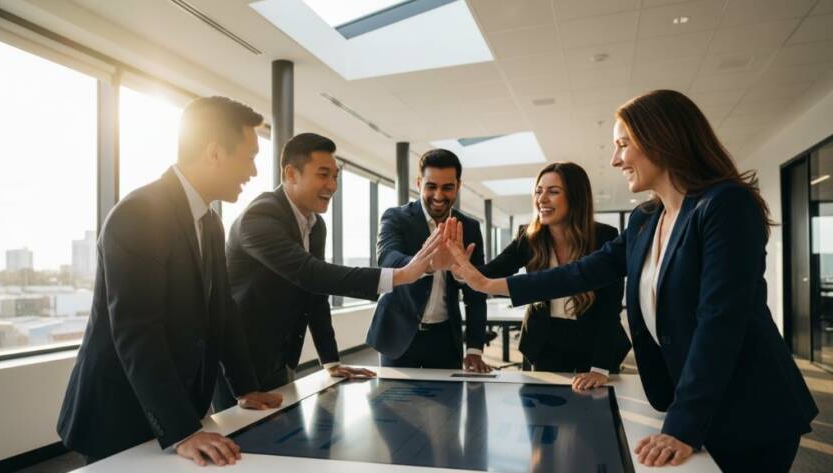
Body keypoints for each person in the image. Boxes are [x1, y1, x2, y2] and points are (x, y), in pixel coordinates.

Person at [443, 90, 818, 471]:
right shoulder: (645, 220)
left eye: (623, 144)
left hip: (750, 407)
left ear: (661, 139)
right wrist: (485, 283)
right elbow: (582, 272)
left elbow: (720, 323)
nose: (615, 158)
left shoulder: (724, 205)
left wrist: (682, 427)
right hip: (694, 398)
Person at [57, 96, 283, 467]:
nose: (254, 171)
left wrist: (246, 387)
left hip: (175, 407)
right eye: (249, 156)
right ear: (214, 153)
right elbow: (137, 331)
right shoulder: (138, 214)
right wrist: (182, 430)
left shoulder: (210, 222)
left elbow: (222, 311)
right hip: (118, 414)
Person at [213, 133, 442, 411]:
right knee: (239, 449)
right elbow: (311, 274)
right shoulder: (259, 217)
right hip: (237, 365)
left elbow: (315, 294)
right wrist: (404, 274)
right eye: (323, 175)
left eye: (336, 177)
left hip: (281, 359)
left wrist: (331, 361)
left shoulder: (314, 225)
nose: (332, 185)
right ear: (291, 174)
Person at [481, 162, 629, 389]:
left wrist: (599, 368)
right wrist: (459, 265)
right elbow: (489, 273)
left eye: (553, 192)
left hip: (594, 343)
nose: (542, 199)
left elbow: (609, 308)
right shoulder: (529, 236)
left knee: (593, 417)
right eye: (539, 191)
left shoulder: (604, 237)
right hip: (543, 341)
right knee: (542, 415)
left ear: (576, 197)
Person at [367, 149, 490, 372]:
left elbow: (476, 295)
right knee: (395, 404)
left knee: (447, 405)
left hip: (445, 338)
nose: (439, 195)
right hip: (398, 333)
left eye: (447, 187)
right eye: (431, 186)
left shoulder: (469, 228)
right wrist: (428, 264)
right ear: (418, 183)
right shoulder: (396, 217)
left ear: (458, 186)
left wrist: (474, 348)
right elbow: (387, 258)